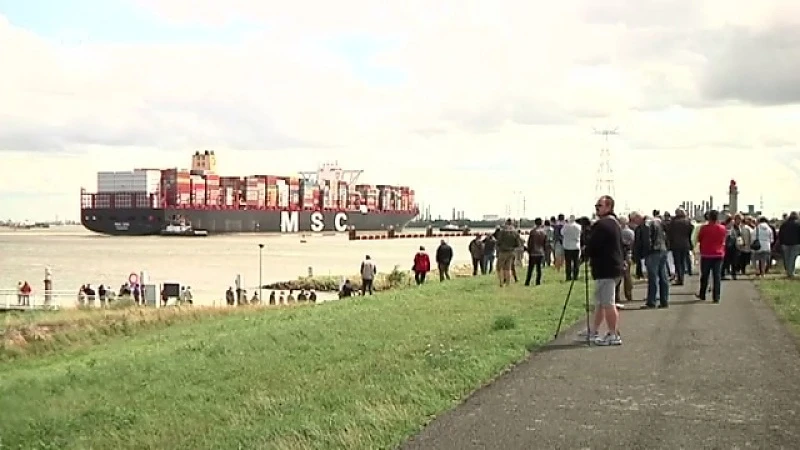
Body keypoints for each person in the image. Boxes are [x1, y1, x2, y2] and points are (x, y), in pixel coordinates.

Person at [579, 195, 624, 345]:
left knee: (607, 303)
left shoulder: (603, 225)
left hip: (607, 269)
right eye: (596, 206)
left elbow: (592, 245)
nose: (597, 208)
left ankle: (613, 334)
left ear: (608, 207)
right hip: (610, 268)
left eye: (599, 206)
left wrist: (585, 248)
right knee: (600, 302)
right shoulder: (614, 223)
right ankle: (594, 330)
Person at [635, 213, 669, 309]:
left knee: (653, 277)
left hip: (653, 252)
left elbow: (647, 241)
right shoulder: (658, 222)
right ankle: (664, 300)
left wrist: (644, 254)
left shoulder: (646, 225)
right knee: (663, 276)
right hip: (662, 249)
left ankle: (651, 301)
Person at [696, 210, 726, 302]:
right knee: (717, 276)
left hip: (706, 254)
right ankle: (716, 296)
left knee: (705, 275)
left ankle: (702, 294)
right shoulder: (722, 228)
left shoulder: (704, 228)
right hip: (718, 254)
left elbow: (699, 238)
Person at [667, 208, 694, 285]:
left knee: (677, 262)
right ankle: (682, 277)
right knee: (682, 261)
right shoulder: (687, 221)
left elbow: (669, 233)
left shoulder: (673, 222)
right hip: (685, 243)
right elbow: (690, 231)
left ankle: (679, 278)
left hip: (675, 244)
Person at [495, 218, 521, 287]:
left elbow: (498, 242)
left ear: (506, 223)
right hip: (511, 251)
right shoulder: (515, 232)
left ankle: (501, 283)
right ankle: (507, 283)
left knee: (499, 267)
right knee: (508, 268)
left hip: (503, 251)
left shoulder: (502, 231)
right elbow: (518, 244)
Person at [525, 218, 548, 286]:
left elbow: (530, 242)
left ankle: (527, 282)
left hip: (533, 252)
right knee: (539, 268)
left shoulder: (533, 231)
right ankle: (538, 282)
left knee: (530, 269)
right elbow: (545, 243)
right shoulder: (544, 232)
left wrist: (529, 250)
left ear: (535, 223)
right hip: (541, 252)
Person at [778, 212, 800, 278]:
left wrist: (781, 243)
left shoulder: (784, 224)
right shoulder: (798, 224)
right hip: (796, 243)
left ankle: (788, 272)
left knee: (787, 258)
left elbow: (780, 234)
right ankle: (791, 273)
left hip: (785, 244)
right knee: (792, 258)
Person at [561, 216, 582, 281]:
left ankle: (568, 277)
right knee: (576, 263)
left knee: (568, 263)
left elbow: (561, 233)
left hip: (567, 247)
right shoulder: (579, 226)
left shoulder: (566, 226)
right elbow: (580, 233)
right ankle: (575, 276)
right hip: (576, 246)